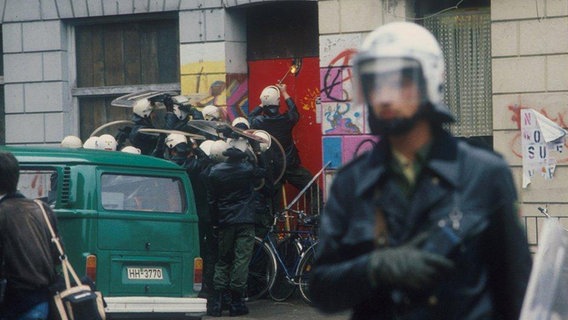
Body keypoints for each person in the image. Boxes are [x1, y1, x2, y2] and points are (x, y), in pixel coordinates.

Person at [309, 21, 533, 320]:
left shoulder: (484, 174)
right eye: (375, 84)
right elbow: (322, 292)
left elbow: (516, 294)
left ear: (429, 82)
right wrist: (374, 267)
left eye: (399, 82)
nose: (385, 97)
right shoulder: (352, 182)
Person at [205, 143, 265, 317]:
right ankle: (236, 302)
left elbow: (212, 200)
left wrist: (215, 222)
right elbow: (263, 171)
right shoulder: (247, 169)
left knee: (223, 260)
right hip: (245, 219)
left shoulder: (215, 171)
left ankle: (216, 303)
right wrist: (258, 152)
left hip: (225, 220)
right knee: (241, 260)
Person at [0, 152, 60, 320]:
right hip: (43, 302)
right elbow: (57, 256)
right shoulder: (43, 209)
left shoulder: (3, 213)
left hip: (12, 304)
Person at [248, 83, 321, 214]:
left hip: (272, 167)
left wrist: (263, 103)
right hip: (289, 164)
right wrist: (284, 92)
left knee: (272, 201)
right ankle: (316, 216)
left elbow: (250, 118)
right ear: (277, 102)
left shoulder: (258, 122)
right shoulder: (285, 119)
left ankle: (273, 227)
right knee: (312, 188)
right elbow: (294, 113)